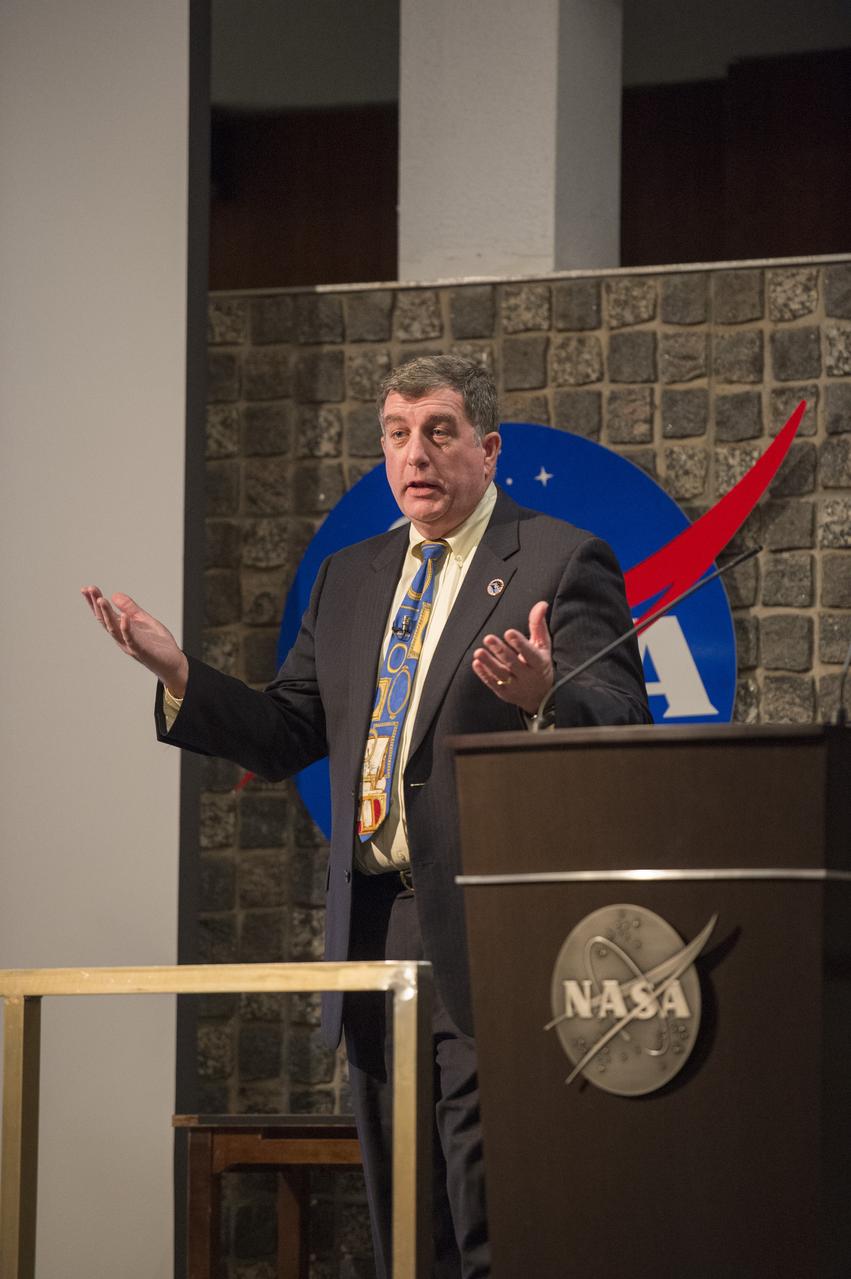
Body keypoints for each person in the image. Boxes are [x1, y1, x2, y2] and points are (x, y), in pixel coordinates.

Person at [83, 354, 651, 1278]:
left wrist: (550, 694)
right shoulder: (351, 576)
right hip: (374, 935)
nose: (414, 453)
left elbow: (624, 723)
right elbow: (286, 731)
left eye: (438, 430)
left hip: (493, 936)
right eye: (396, 433)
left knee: (491, 1217)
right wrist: (180, 673)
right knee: (404, 1224)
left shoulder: (557, 556)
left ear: (486, 446)